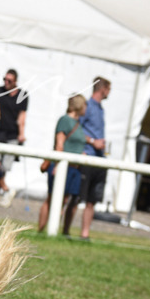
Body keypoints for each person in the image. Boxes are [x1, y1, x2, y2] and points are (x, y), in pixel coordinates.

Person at [37, 95, 88, 234]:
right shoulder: (65, 120)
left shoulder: (78, 123)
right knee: (52, 198)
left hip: (74, 169)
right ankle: (41, 231)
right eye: (84, 105)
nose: (86, 108)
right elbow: (60, 144)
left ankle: (61, 231)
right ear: (79, 105)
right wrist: (59, 165)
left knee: (66, 200)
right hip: (62, 166)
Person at [0, 69, 28, 206]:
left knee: (3, 168)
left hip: (12, 135)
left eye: (9, 80)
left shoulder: (23, 95)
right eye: (5, 79)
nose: (6, 82)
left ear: (15, 81)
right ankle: (6, 189)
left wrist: (22, 134)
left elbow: (22, 117)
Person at [77, 77, 111, 240]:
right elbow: (76, 130)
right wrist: (92, 142)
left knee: (92, 200)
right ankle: (63, 230)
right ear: (102, 88)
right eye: (109, 89)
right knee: (76, 197)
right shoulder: (87, 106)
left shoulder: (101, 109)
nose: (109, 93)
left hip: (99, 159)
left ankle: (85, 234)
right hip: (87, 157)